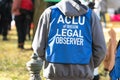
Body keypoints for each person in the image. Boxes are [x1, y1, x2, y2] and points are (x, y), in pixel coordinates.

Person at [32, 0, 106, 80]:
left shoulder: (49, 13)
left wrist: (50, 61)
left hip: (55, 73)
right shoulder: (91, 16)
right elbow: (100, 50)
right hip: (83, 74)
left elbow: (38, 46)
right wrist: (88, 65)